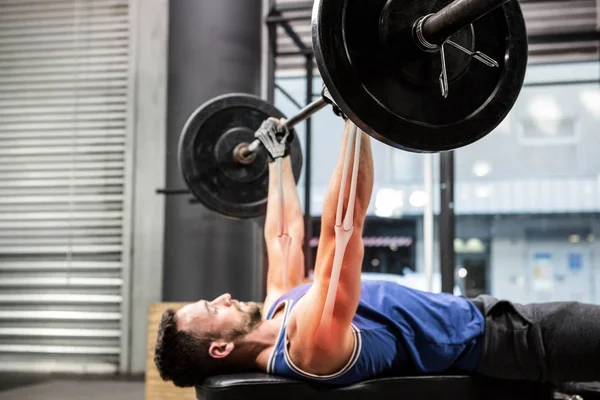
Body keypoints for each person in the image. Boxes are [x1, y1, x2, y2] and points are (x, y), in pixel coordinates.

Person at [154, 119, 600, 389]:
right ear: (218, 348)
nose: (226, 295)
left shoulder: (277, 310)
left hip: (496, 320)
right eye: (215, 307)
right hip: (509, 341)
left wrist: (277, 160)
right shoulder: (307, 347)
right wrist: (359, 117)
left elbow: (285, 237)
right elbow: (341, 234)